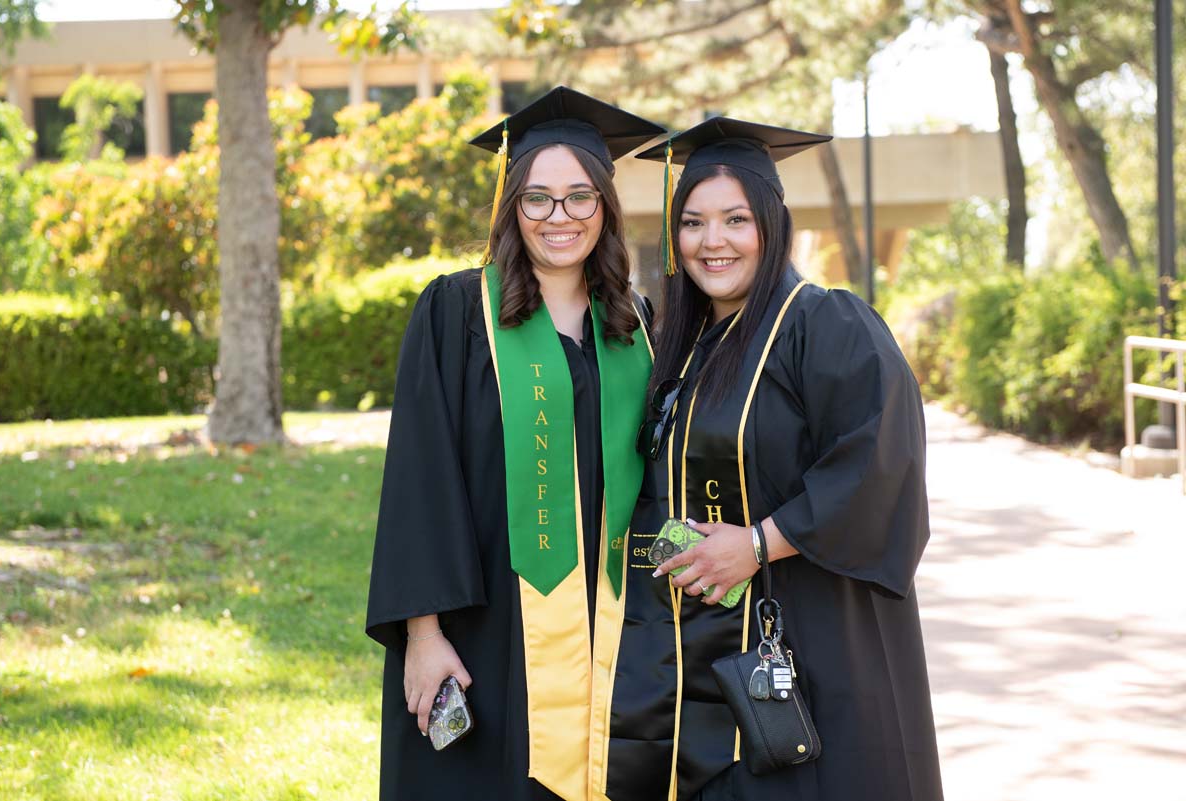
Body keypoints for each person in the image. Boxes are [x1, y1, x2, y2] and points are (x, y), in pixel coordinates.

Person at [600, 118, 944, 801]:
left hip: (814, 647)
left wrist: (760, 543)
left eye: (735, 218)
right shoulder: (687, 346)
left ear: (772, 224)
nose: (712, 240)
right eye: (693, 222)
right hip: (704, 660)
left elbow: (881, 463)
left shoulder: (825, 325)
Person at [364, 87, 664, 801]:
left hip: (613, 631)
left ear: (605, 207)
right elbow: (421, 473)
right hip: (485, 630)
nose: (559, 217)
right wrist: (423, 633)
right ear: (512, 205)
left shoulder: (638, 326)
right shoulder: (458, 312)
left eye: (579, 197)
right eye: (537, 198)